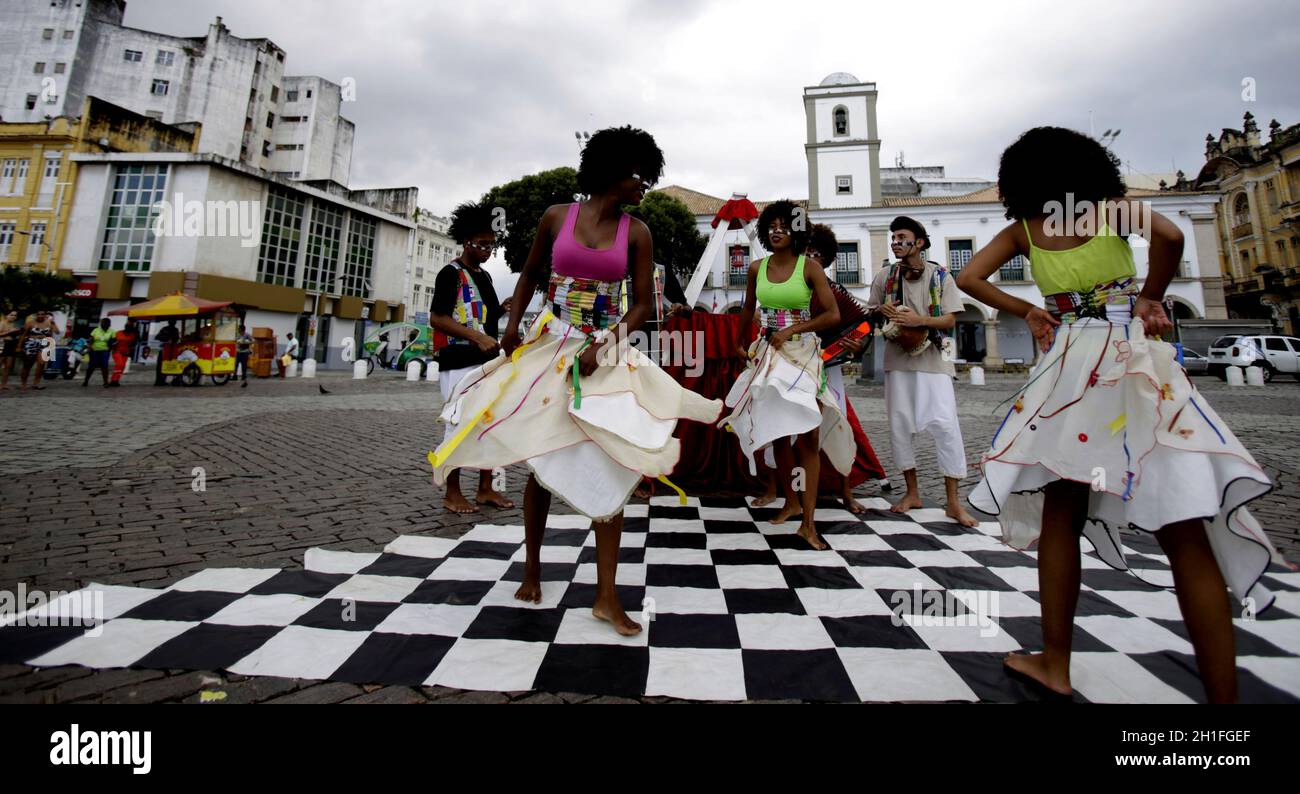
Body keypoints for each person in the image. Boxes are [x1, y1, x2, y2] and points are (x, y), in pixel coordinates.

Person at [956, 126, 1283, 703]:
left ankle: (1055, 664)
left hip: (1071, 363)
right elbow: (1173, 234)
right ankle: (1225, 702)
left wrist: (1030, 310)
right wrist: (1152, 295)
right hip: (1130, 354)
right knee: (1185, 526)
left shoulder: (1026, 230)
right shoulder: (1110, 211)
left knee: (1061, 508)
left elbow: (967, 277)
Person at [430, 125, 722, 635]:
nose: (644, 186)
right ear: (614, 172)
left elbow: (644, 304)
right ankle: (533, 570)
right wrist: (513, 326)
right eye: (639, 176)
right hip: (550, 345)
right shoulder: (555, 217)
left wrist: (606, 346)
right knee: (540, 461)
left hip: (604, 352)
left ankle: (607, 596)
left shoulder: (638, 232)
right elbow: (527, 275)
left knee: (611, 463)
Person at [718, 200, 855, 550]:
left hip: (802, 354)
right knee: (780, 434)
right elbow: (749, 308)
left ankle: (809, 524)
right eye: (772, 226)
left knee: (806, 437)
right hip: (768, 353)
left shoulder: (809, 267)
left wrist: (795, 330)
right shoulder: (756, 268)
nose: (777, 231)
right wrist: (738, 344)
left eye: (784, 225)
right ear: (765, 231)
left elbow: (833, 315)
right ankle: (791, 503)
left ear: (796, 231)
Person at [865, 216, 978, 527]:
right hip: (897, 361)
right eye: (893, 237)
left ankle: (953, 502)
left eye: (902, 237)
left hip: (933, 362)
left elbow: (950, 320)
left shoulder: (941, 277)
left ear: (920, 242)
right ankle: (912, 493)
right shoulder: (884, 277)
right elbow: (872, 312)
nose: (896, 242)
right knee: (900, 426)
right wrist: (881, 313)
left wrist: (920, 321)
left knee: (945, 425)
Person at [429, 200, 513, 513]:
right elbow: (438, 318)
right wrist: (476, 336)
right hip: (458, 362)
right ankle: (452, 492)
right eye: (482, 244)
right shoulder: (450, 274)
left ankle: (485, 489)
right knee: (458, 427)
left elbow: (481, 313)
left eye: (492, 245)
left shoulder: (485, 277)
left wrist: (501, 309)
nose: (488, 250)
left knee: (487, 425)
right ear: (466, 242)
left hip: (487, 363)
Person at [17, 310, 60, 390]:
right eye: (38, 314)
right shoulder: (30, 323)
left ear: (45, 315)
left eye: (42, 314)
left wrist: (53, 323)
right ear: (36, 315)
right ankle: (23, 383)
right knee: (27, 365)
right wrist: (19, 346)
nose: (40, 316)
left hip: (44, 343)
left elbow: (56, 332)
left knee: (41, 364)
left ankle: (36, 383)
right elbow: (23, 335)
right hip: (31, 343)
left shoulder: (49, 323)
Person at [83, 317, 114, 388]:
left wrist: (111, 347)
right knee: (91, 366)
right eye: (102, 323)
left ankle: (105, 382)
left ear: (109, 324)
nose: (103, 324)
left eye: (104, 323)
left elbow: (113, 340)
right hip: (95, 350)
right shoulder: (96, 330)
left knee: (104, 366)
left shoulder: (112, 331)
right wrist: (90, 347)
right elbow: (91, 338)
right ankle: (86, 380)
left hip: (105, 350)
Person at [108, 320, 138, 387]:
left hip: (126, 352)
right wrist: (113, 345)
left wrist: (131, 350)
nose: (128, 328)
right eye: (128, 327)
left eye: (130, 327)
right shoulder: (118, 333)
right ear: (125, 327)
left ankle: (116, 380)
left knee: (122, 367)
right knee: (119, 364)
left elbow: (134, 344)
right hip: (117, 351)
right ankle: (113, 380)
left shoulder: (132, 335)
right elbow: (111, 342)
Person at [0, 310, 21, 390]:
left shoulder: (13, 325)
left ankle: (4, 385)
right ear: (6, 315)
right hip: (2, 343)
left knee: (8, 366)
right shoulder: (2, 323)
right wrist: (9, 332)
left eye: (15, 315)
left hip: (11, 344)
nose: (13, 317)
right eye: (11, 315)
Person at [154, 320, 179, 386]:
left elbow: (177, 338)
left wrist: (173, 340)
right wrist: (167, 339)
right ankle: (160, 381)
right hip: (164, 349)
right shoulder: (165, 329)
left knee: (171, 364)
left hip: (173, 349)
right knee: (161, 365)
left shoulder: (175, 330)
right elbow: (157, 337)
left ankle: (172, 380)